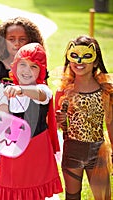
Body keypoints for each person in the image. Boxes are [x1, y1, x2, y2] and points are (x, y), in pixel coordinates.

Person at [0, 16, 46, 198]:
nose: (17, 44)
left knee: (31, 178)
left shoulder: (37, 66)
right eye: (11, 39)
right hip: (7, 135)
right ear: (3, 42)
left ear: (31, 40)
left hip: (34, 132)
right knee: (9, 179)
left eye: (22, 39)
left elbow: (43, 96)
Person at [0, 43, 63, 199]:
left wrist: (21, 90)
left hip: (36, 149)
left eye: (34, 67)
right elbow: (2, 117)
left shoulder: (43, 89)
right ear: (15, 65)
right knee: (12, 188)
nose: (26, 70)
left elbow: (40, 95)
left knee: (34, 192)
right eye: (22, 64)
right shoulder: (6, 90)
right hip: (13, 149)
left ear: (41, 71)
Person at [55, 35, 112, 200]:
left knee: (103, 196)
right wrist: (60, 120)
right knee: (72, 195)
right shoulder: (64, 90)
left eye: (86, 56)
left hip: (98, 152)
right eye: (75, 56)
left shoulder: (105, 90)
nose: (79, 61)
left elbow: (110, 123)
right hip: (72, 150)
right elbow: (57, 123)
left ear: (95, 62)